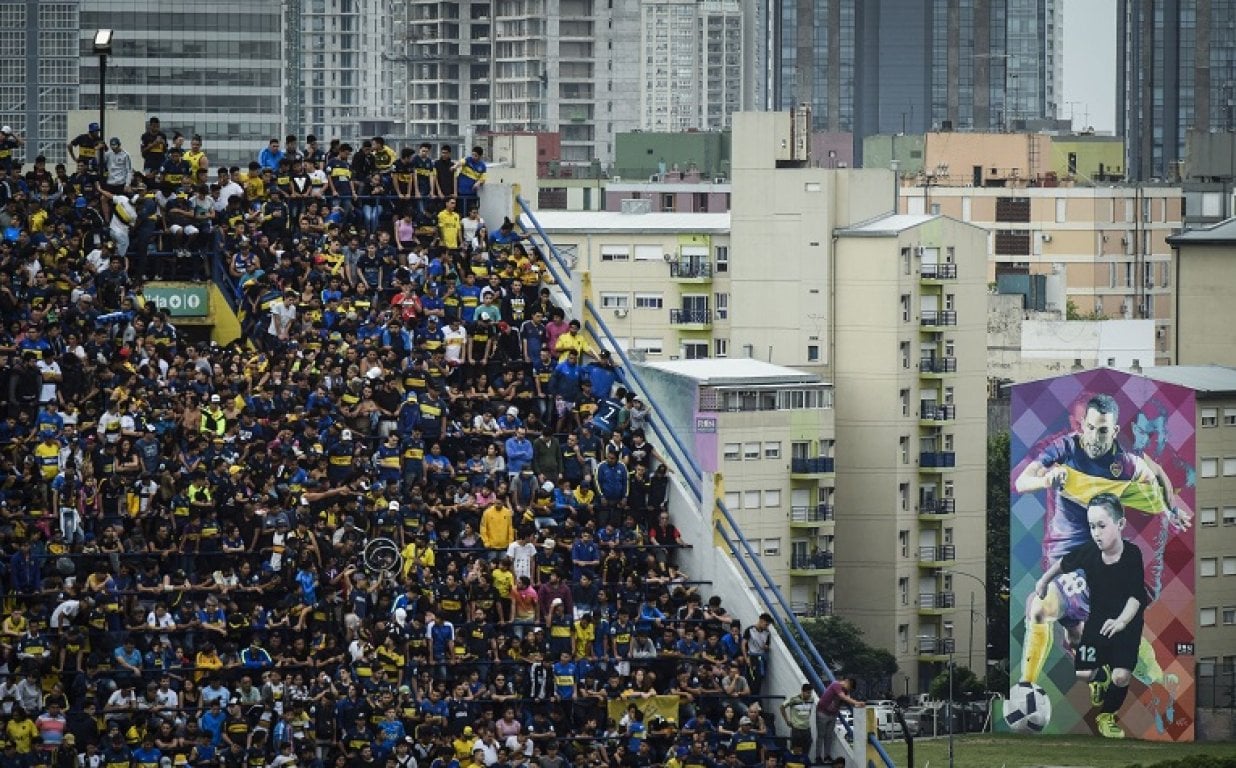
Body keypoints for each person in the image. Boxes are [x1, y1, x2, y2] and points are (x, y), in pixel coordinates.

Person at [1013, 393, 1188, 721]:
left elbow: (1156, 475)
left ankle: (1155, 679)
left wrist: (1169, 507)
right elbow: (1022, 481)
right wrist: (1046, 479)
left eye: (1102, 431)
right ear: (1082, 427)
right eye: (1090, 428)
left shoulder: (1125, 465)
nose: (1095, 437)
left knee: (1072, 621)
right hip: (1061, 556)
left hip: (1093, 562)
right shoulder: (1065, 449)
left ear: (1114, 429)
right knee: (1072, 631)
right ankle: (1031, 689)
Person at [1035, 493, 1146, 739]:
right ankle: (1099, 678)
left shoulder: (1132, 555)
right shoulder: (1089, 552)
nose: (1096, 533)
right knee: (1083, 673)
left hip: (1127, 625)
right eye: (1092, 526)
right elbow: (1063, 563)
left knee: (1121, 676)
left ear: (1120, 525)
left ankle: (1107, 715)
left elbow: (1136, 597)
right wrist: (1043, 582)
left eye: (1101, 526)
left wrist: (1121, 622)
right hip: (1097, 623)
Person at [814, 678, 861, 764]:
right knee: (821, 735)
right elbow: (842, 697)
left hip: (832, 714)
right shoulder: (836, 685)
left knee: (828, 736)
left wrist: (853, 701)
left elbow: (847, 698)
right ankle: (818, 757)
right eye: (849, 687)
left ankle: (826, 756)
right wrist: (857, 702)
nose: (848, 690)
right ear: (847, 682)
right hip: (822, 712)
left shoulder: (846, 691)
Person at [779, 684, 815, 756]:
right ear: (802, 692)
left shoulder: (811, 699)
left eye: (810, 693)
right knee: (795, 750)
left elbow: (809, 711)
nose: (809, 695)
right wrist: (787, 721)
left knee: (806, 749)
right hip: (796, 729)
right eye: (808, 693)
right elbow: (782, 707)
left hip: (807, 728)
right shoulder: (793, 699)